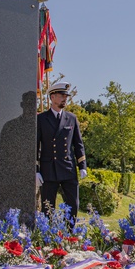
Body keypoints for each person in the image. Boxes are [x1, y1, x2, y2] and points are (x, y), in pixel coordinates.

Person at [36, 81, 86, 215]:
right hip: (48, 169)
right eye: (61, 95)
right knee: (48, 208)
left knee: (73, 205)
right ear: (52, 97)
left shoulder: (71, 118)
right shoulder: (41, 119)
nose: (65, 99)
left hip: (68, 168)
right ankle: (49, 235)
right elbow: (35, 146)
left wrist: (82, 166)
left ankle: (70, 235)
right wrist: (36, 170)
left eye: (66, 96)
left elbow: (78, 144)